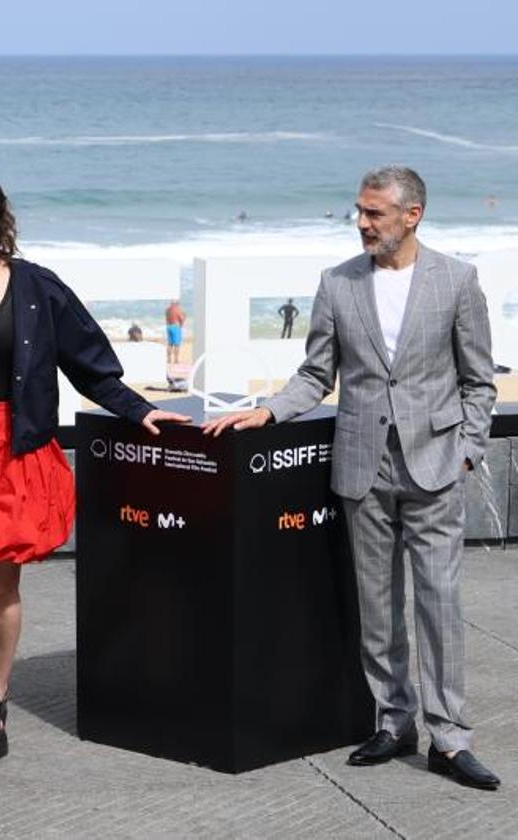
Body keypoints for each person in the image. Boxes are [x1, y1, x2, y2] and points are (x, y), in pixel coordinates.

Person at [203, 166, 500, 791]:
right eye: (359, 213)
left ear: (412, 214)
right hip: (363, 464)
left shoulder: (457, 280)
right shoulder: (336, 284)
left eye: (374, 214)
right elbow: (317, 375)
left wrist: (468, 450)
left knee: (438, 603)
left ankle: (450, 738)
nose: (362, 224)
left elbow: (479, 381)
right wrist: (270, 409)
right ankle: (395, 722)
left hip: (436, 464)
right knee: (377, 605)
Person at [0, 168, 189, 770]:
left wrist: (139, 410)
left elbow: (90, 365)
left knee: (3, 587)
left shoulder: (36, 287)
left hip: (12, 447)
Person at [165, 299, 186, 365]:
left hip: (168, 326)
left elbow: (167, 319)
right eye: (178, 303)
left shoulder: (167, 310)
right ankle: (176, 360)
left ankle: (168, 359)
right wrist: (181, 324)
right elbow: (181, 319)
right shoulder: (177, 309)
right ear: (176, 303)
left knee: (170, 344)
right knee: (176, 344)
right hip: (175, 327)